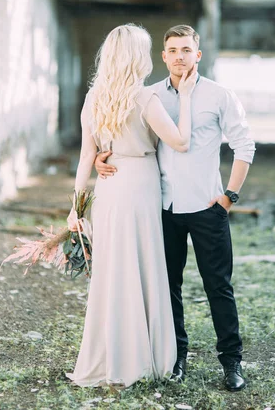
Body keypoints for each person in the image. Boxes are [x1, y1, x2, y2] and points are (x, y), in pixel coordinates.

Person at [96, 24, 255, 392]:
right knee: (168, 287)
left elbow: (244, 146)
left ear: (197, 54)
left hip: (206, 206)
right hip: (161, 208)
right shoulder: (148, 96)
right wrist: (102, 157)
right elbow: (122, 137)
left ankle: (231, 363)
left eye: (187, 49)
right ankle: (176, 358)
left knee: (219, 287)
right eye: (173, 50)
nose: (180, 56)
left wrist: (229, 196)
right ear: (163, 56)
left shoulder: (219, 95)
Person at [66, 24, 198, 388]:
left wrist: (76, 208)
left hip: (108, 189)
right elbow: (181, 141)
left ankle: (112, 355)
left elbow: (85, 157)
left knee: (113, 271)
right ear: (137, 57)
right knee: (143, 265)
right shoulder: (144, 99)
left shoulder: (95, 97)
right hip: (140, 185)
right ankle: (145, 355)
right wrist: (184, 97)